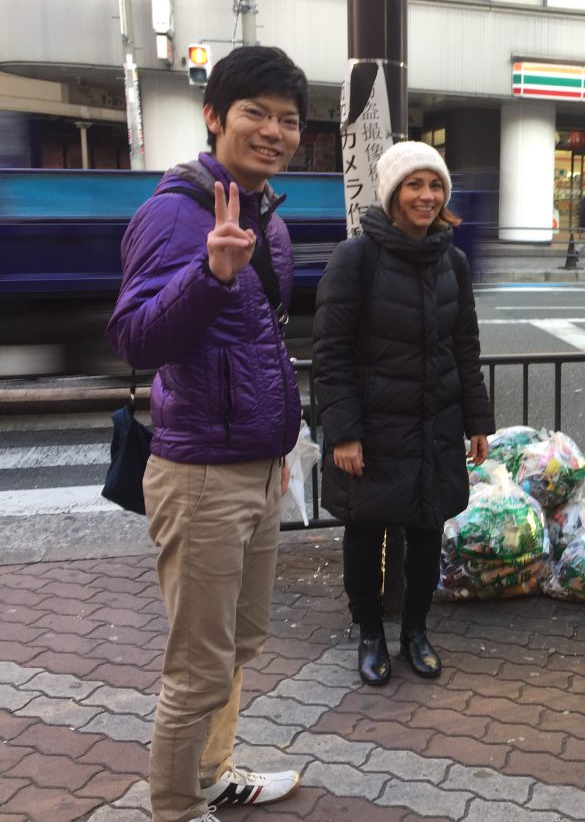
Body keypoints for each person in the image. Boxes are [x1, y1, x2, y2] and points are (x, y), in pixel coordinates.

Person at [106, 46, 308, 822]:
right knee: (197, 666)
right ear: (214, 118)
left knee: (242, 644)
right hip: (199, 476)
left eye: (287, 119)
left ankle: (213, 772)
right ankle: (176, 809)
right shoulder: (175, 213)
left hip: (256, 468)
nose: (274, 131)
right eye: (255, 113)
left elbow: (258, 344)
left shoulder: (264, 216)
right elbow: (133, 340)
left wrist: (278, 447)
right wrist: (210, 274)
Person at [313, 140, 494, 687]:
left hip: (434, 423)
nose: (427, 195)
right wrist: (343, 432)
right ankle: (370, 633)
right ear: (393, 193)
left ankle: (416, 631)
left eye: (435, 185)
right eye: (414, 185)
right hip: (372, 427)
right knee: (366, 533)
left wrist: (476, 420)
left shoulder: (452, 261)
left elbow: (464, 346)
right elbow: (331, 352)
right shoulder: (357, 257)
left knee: (425, 534)